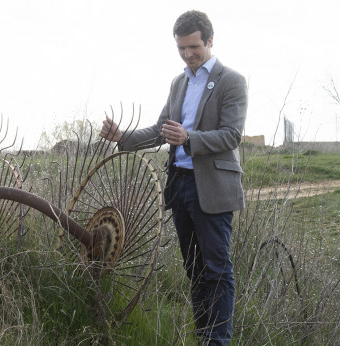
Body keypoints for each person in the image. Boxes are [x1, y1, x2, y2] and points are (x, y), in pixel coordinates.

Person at [100, 10, 247, 345]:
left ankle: (217, 341)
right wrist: (122, 137)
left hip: (212, 187)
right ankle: (203, 335)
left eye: (193, 47)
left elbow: (232, 135)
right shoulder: (179, 82)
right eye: (181, 48)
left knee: (217, 269)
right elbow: (161, 131)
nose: (187, 54)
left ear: (210, 40)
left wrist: (190, 139)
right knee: (194, 269)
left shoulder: (231, 80)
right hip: (180, 184)